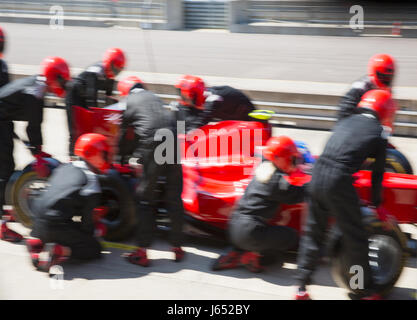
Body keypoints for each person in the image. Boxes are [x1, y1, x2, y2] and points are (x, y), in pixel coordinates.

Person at [294, 89, 397, 300]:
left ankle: (301, 288)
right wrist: (378, 205)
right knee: (356, 239)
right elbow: (378, 174)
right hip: (337, 182)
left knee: (312, 235)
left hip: (316, 175)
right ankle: (363, 289)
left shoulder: (346, 120)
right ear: (386, 112)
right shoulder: (379, 132)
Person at [212, 136, 308, 273]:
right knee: (290, 236)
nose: (294, 162)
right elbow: (299, 194)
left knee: (273, 255)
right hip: (250, 232)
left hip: (234, 228)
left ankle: (238, 251)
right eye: (292, 159)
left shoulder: (262, 170)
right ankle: (249, 256)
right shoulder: (276, 182)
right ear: (280, 159)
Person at [0, 56, 70, 242]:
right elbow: (33, 127)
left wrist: (38, 151)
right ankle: (1, 227)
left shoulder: (37, 86)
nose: (62, 83)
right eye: (61, 79)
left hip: (4, 120)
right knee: (4, 169)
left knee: (7, 165)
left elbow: (35, 126)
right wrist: (38, 155)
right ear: (52, 76)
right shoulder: (35, 92)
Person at [117, 76, 186, 266]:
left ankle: (141, 251)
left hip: (154, 143)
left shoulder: (129, 102)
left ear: (126, 92)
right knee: (173, 196)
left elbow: (126, 136)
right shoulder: (154, 97)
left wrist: (121, 156)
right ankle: (177, 247)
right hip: (172, 141)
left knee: (145, 198)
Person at [27, 133, 110, 272]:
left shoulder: (64, 167)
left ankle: (36, 244)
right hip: (54, 224)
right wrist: (96, 231)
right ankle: (60, 251)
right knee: (95, 249)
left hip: (36, 220)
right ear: (94, 154)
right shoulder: (92, 181)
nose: (106, 158)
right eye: (104, 154)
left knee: (62, 224)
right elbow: (86, 224)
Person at [65, 47, 126, 156]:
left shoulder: (110, 76)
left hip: (83, 95)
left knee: (87, 127)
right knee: (75, 128)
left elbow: (109, 98)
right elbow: (91, 99)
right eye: (115, 69)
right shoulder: (94, 72)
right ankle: (72, 155)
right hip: (73, 94)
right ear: (109, 63)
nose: (116, 73)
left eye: (118, 70)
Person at [172, 75, 256, 132]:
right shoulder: (197, 100)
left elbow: (197, 125)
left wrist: (185, 133)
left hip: (245, 120)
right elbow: (185, 123)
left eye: (183, 95)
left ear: (193, 95)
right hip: (225, 116)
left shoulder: (213, 100)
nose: (180, 98)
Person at [337, 53, 395, 121]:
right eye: (383, 76)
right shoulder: (359, 88)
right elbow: (344, 113)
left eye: (389, 77)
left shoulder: (388, 89)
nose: (386, 80)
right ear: (374, 72)